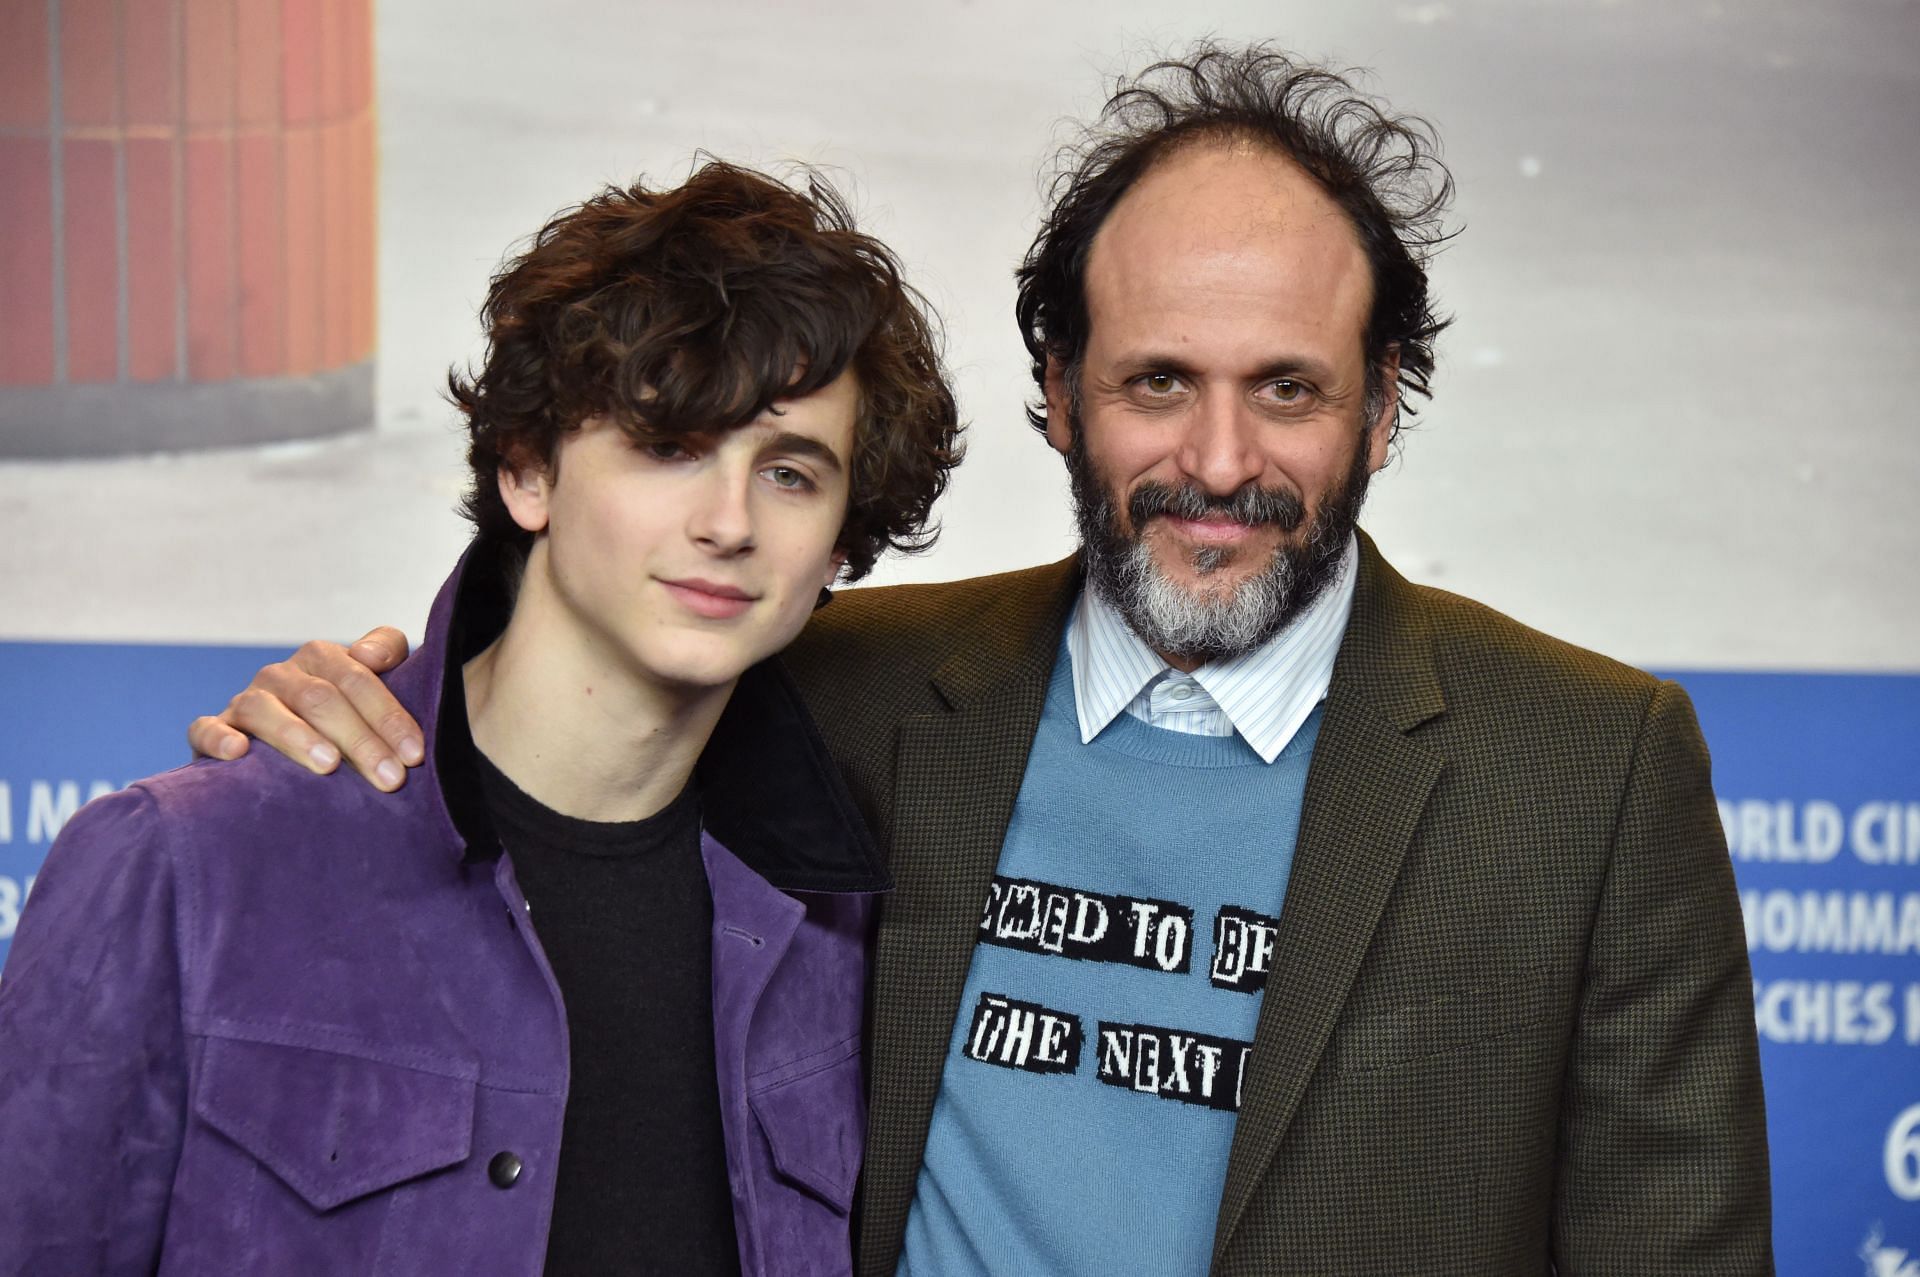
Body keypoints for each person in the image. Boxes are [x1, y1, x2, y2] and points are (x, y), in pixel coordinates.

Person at [186, 45, 1771, 1275]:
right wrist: (357, 716)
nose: (1218, 459)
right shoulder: (832, 680)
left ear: (1386, 401)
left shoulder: (1590, 766)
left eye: (1288, 388)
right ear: (1060, 392)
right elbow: (562, 691)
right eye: (1158, 380)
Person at [0, 161, 961, 1276]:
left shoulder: (846, 933)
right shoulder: (190, 865)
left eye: (791, 473)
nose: (728, 521)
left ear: (841, 543)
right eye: (670, 444)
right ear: (528, 471)